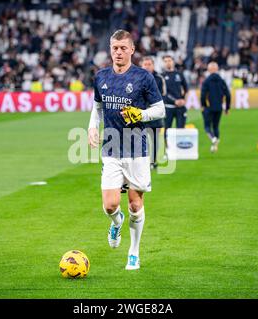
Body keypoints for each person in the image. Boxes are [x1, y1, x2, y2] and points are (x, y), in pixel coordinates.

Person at [88, 30, 165, 270]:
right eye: (114, 48)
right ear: (110, 49)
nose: (118, 52)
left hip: (137, 150)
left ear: (132, 50)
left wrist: (141, 114)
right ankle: (116, 221)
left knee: (134, 204)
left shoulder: (143, 77)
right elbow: (98, 106)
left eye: (123, 48)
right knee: (110, 205)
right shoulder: (100, 77)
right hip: (111, 149)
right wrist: (92, 126)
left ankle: (133, 252)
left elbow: (160, 110)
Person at [140, 56, 167, 169]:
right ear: (142, 65)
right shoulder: (136, 77)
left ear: (153, 65)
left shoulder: (159, 78)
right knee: (140, 140)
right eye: (145, 64)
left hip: (154, 114)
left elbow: (162, 95)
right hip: (140, 114)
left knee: (154, 140)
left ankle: (153, 162)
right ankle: (142, 162)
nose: (147, 66)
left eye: (149, 64)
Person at [200, 62, 231, 153]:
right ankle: (215, 147)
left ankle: (213, 138)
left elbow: (203, 95)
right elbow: (228, 95)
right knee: (216, 126)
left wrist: (203, 105)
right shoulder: (221, 80)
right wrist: (227, 108)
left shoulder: (206, 81)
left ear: (209, 70)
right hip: (219, 107)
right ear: (217, 69)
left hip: (209, 107)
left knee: (207, 127)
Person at [162, 55, 188, 143]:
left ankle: (179, 151)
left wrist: (184, 100)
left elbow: (186, 89)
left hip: (180, 107)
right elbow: (163, 93)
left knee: (181, 130)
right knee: (167, 129)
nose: (168, 62)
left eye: (169, 60)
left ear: (173, 62)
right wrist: (174, 101)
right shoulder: (162, 76)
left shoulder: (179, 74)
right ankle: (166, 151)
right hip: (168, 107)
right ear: (163, 63)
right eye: (165, 61)